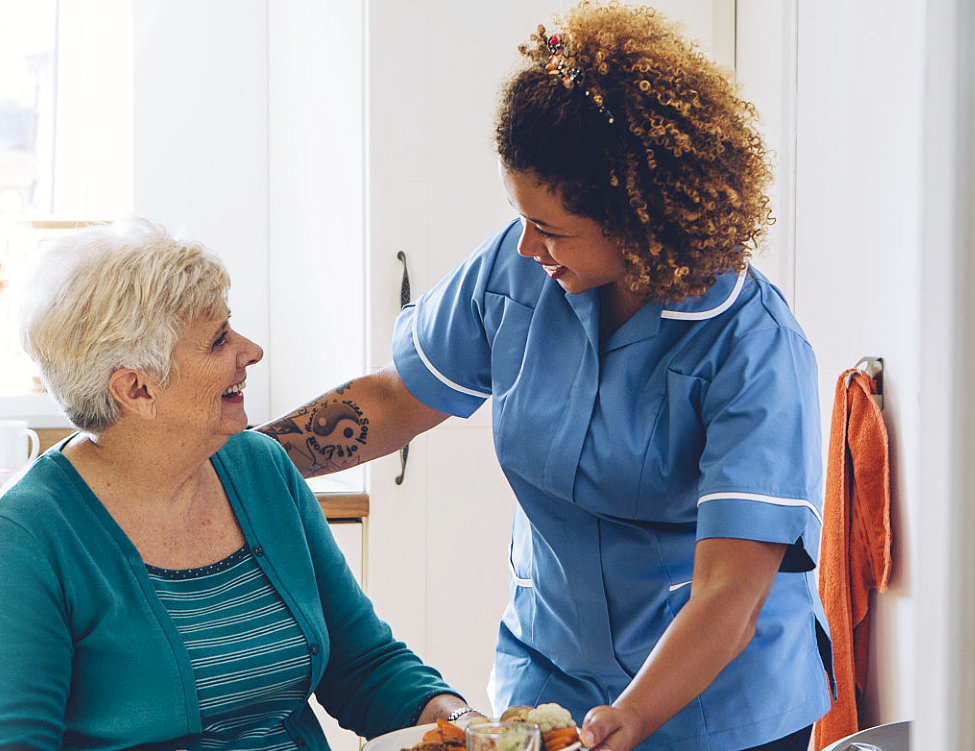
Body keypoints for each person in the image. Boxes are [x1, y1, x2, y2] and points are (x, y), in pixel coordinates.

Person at [258, 4, 829, 751]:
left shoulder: (752, 348)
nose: (527, 245)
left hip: (713, 706)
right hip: (549, 680)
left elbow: (730, 588)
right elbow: (399, 398)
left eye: (552, 229)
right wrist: (239, 459)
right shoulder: (519, 268)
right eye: (520, 216)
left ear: (641, 220)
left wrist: (636, 714)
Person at [0, 218, 479, 751]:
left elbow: (364, 666)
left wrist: (463, 723)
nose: (250, 351)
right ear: (137, 388)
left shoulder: (262, 469)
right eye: (218, 340)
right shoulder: (28, 535)